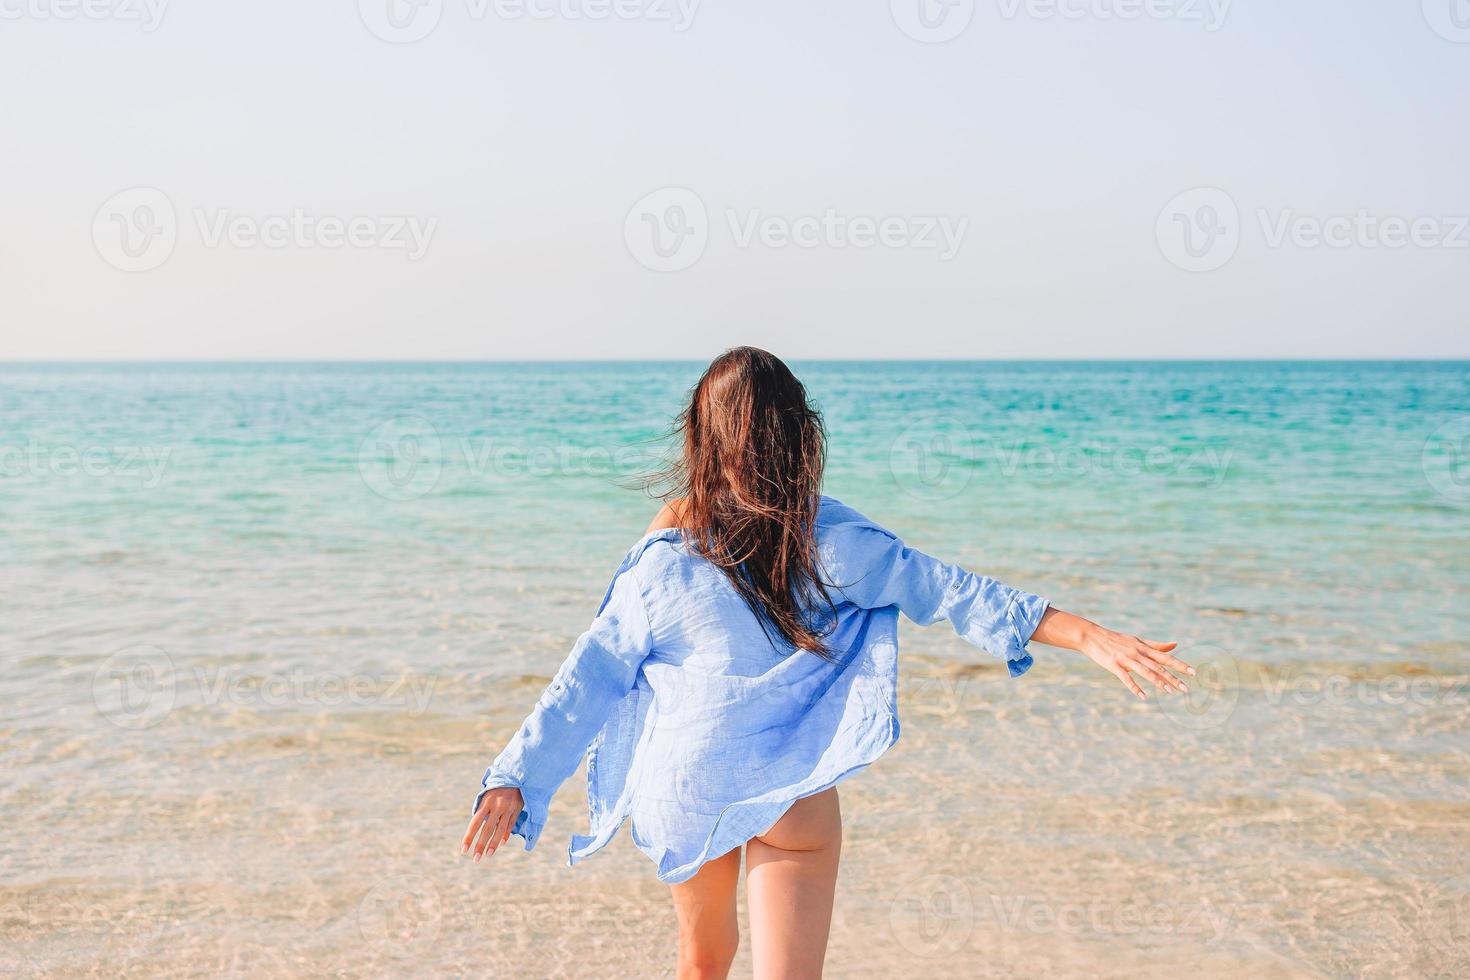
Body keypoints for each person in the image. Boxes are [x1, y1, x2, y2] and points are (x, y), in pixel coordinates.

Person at [461, 347, 1193, 979]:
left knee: (701, 965)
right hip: (792, 792)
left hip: (691, 782)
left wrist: (516, 779)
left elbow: (591, 676)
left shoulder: (664, 562)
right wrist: (1089, 635)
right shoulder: (838, 545)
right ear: (800, 435)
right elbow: (952, 592)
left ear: (701, 440)